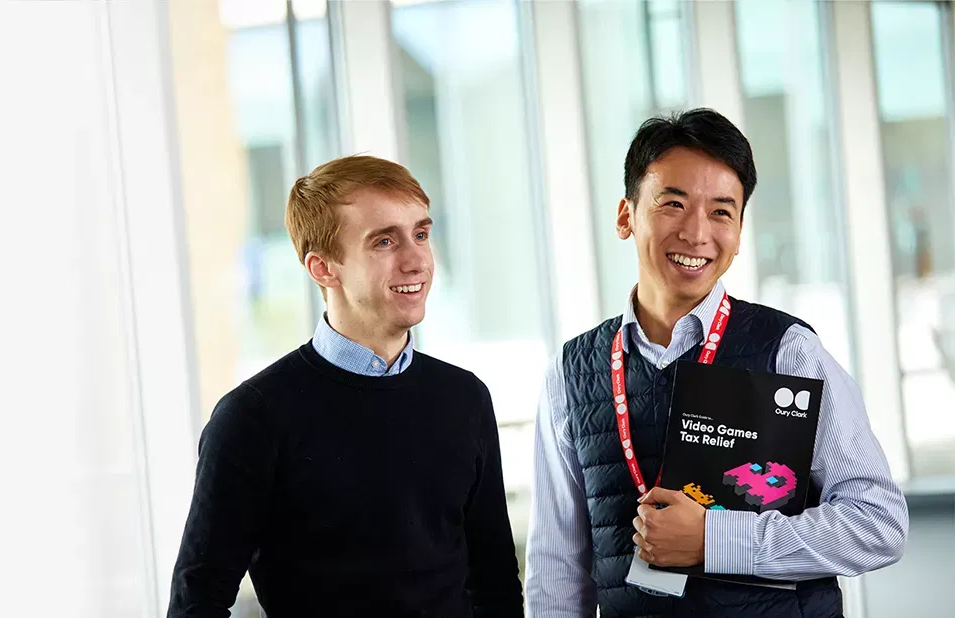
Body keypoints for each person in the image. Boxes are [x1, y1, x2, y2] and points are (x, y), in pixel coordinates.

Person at [524, 109, 908, 617]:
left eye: (721, 212)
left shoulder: (788, 351)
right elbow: (557, 568)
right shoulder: (572, 373)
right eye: (673, 204)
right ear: (626, 216)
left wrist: (715, 538)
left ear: (740, 231)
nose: (697, 233)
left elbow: (878, 525)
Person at [167, 155, 523, 617]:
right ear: (323, 268)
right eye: (383, 242)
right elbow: (197, 601)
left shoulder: (465, 398)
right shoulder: (253, 417)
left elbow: (494, 582)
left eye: (420, 233)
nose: (416, 260)